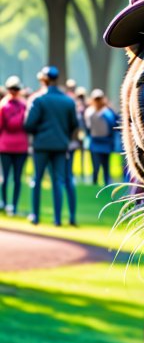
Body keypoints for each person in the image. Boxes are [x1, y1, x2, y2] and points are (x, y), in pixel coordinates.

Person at [24, 65, 78, 225]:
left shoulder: (38, 99)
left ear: (43, 80)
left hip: (41, 145)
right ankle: (57, 219)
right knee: (58, 181)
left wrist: (40, 132)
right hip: (60, 145)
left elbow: (28, 124)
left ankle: (35, 215)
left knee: (37, 180)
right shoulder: (68, 101)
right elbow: (73, 124)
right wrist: (63, 135)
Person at [0, 76, 29, 216]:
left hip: (5, 146)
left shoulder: (2, 105)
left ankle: (5, 204)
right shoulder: (25, 105)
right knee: (17, 178)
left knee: (5, 177)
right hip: (20, 146)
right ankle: (14, 206)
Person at [84, 89, 118, 186]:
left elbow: (113, 127)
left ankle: (106, 184)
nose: (98, 101)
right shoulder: (89, 112)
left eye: (99, 99)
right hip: (95, 142)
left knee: (105, 166)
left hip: (106, 142)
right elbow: (88, 128)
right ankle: (94, 184)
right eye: (96, 99)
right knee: (95, 166)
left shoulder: (108, 113)